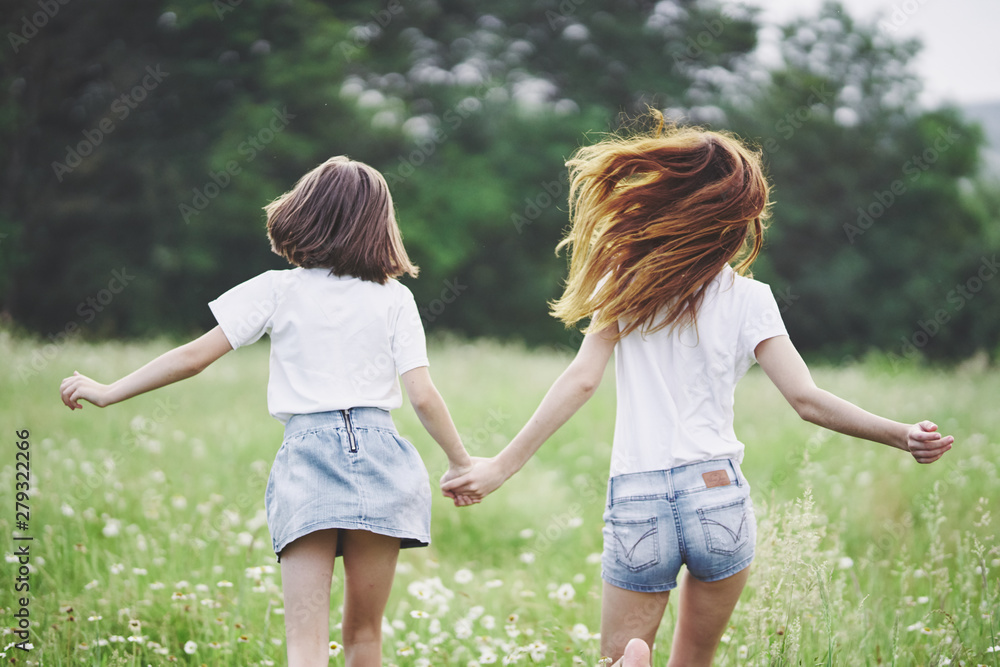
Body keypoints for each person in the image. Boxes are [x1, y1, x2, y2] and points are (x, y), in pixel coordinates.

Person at [442, 112, 955, 666]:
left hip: (639, 497)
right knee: (695, 661)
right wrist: (901, 434)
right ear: (738, 218)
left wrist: (502, 466)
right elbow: (807, 400)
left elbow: (582, 379)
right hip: (717, 494)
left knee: (620, 659)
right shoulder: (750, 299)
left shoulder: (626, 283)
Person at [59, 156, 478, 667]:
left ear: (304, 213)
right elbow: (423, 395)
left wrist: (109, 390)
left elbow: (192, 358)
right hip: (382, 458)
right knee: (365, 636)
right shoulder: (395, 298)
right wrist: (460, 462)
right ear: (380, 224)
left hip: (308, 459)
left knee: (305, 644)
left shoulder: (277, 289)